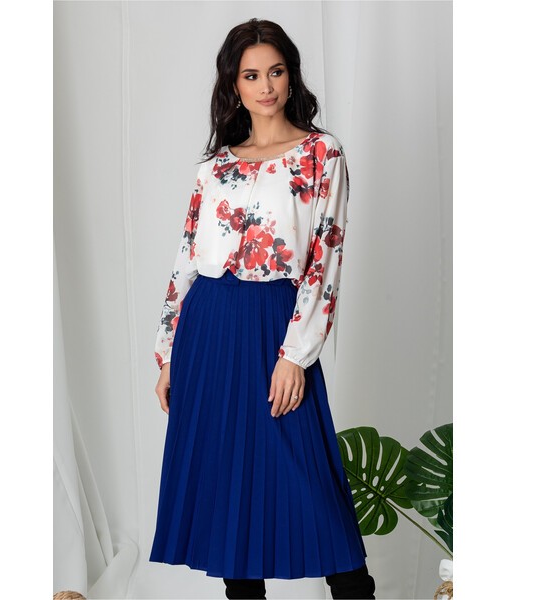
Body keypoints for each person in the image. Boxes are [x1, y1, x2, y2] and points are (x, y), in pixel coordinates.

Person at [149, 18, 376, 600]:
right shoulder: (215, 166)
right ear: (234, 84)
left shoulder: (321, 154)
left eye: (275, 71)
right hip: (208, 325)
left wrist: (296, 355)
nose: (265, 85)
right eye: (251, 75)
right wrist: (168, 352)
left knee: (309, 476)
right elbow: (187, 257)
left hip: (276, 322)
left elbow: (324, 258)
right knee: (227, 481)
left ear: (291, 76)